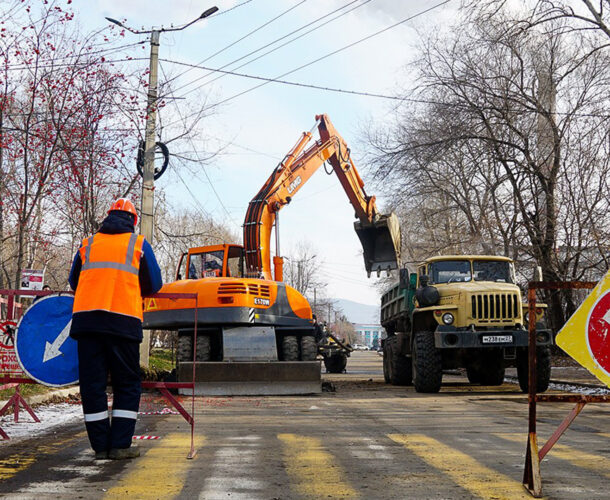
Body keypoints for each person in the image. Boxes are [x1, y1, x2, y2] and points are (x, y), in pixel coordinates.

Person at [68, 198, 162, 460]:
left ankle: (100, 446)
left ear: (107, 217)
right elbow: (155, 284)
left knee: (93, 385)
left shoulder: (88, 244)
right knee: (127, 384)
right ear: (133, 221)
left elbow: (75, 281)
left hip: (87, 322)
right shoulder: (138, 243)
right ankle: (120, 445)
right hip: (123, 321)